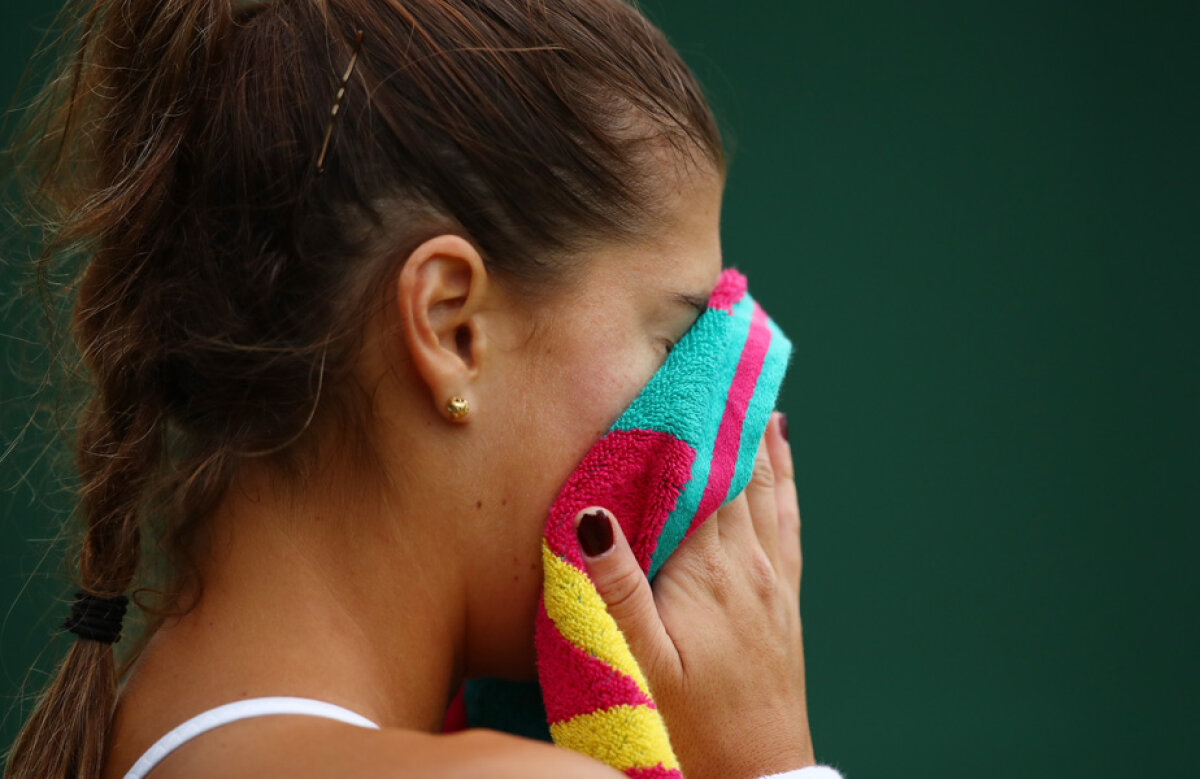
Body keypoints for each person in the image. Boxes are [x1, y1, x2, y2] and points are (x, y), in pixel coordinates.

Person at [3, 1, 842, 777]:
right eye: (675, 339)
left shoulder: (138, 734)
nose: (713, 414)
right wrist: (766, 758)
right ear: (452, 328)